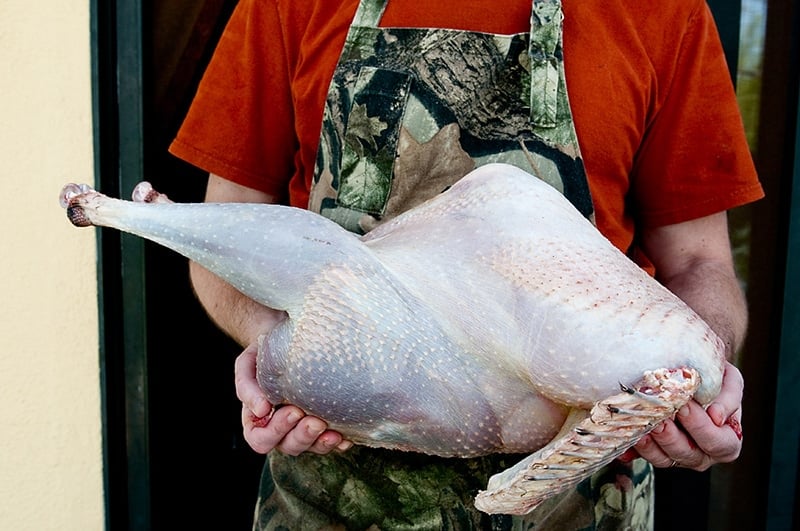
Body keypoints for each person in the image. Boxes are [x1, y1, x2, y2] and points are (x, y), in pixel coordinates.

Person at [168, 0, 764, 528]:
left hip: (581, 489)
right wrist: (278, 349)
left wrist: (701, 378)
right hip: (335, 482)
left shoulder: (661, 11)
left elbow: (698, 260)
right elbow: (226, 228)